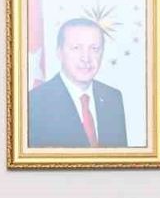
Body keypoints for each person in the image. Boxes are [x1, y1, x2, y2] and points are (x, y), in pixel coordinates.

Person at [27, 18, 127, 148]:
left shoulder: (113, 98)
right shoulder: (35, 102)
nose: (86, 58)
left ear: (102, 52)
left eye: (94, 48)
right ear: (59, 52)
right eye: (76, 48)